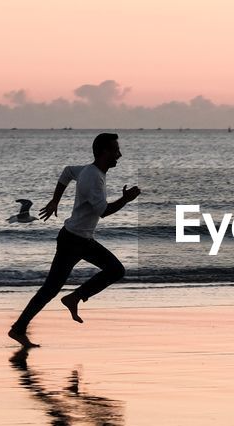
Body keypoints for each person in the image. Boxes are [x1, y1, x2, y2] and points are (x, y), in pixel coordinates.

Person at [9, 132, 141, 348]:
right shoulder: (93, 178)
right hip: (73, 241)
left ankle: (28, 323)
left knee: (110, 271)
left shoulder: (90, 171)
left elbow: (67, 172)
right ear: (104, 152)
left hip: (80, 239)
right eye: (115, 150)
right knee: (111, 271)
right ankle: (28, 323)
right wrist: (126, 199)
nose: (120, 154)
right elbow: (104, 211)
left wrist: (55, 200)